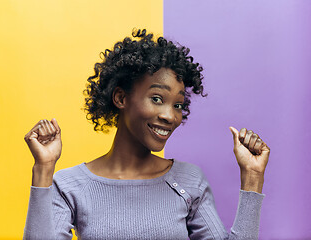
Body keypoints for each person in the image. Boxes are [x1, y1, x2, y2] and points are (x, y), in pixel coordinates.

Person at [23, 29, 270, 240]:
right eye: (157, 99)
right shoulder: (70, 185)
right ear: (121, 98)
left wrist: (252, 176)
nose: (170, 116)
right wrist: (43, 168)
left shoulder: (188, 181)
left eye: (178, 105)